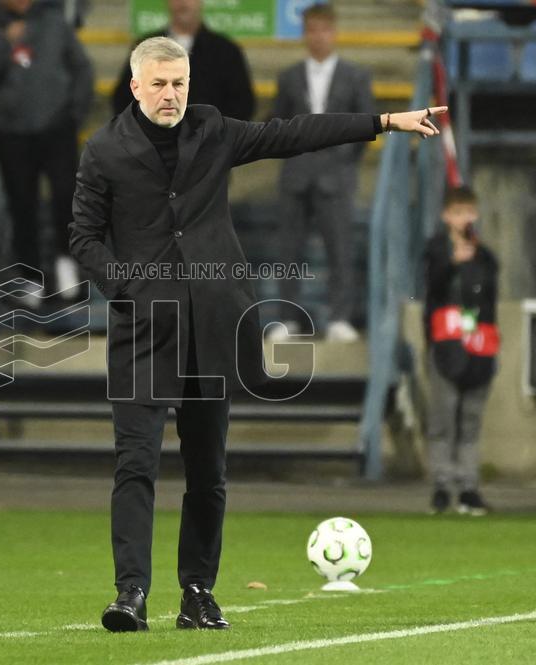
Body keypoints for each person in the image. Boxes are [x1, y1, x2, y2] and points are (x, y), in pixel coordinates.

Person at [70, 35, 445, 632]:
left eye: (180, 83)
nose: (172, 95)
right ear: (136, 85)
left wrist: (384, 121)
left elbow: (290, 133)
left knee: (207, 473)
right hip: (144, 332)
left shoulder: (213, 130)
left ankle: (197, 592)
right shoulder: (104, 151)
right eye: (161, 84)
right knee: (135, 465)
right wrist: (125, 287)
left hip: (212, 327)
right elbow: (84, 238)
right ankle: (130, 595)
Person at [270, 4, 375, 343]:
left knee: (339, 249)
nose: (318, 37)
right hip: (296, 175)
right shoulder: (288, 77)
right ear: (304, 34)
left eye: (324, 30)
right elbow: (277, 124)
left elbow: (365, 124)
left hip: (336, 175)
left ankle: (340, 317)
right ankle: (287, 318)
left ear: (334, 32)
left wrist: (340, 158)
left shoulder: (355, 75)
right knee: (289, 249)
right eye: (311, 30)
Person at [0, 0, 93, 301]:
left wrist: (74, 115)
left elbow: (81, 67)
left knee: (65, 197)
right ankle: (30, 276)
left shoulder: (55, 23)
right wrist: (4, 44)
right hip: (11, 133)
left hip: (56, 129)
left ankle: (66, 263)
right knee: (22, 205)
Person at [422, 186, 499, 516]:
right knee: (443, 419)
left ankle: (468, 488)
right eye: (457, 212)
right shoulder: (436, 250)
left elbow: (489, 302)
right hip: (444, 343)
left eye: (468, 211)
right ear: (446, 216)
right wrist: (453, 262)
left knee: (470, 420)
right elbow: (432, 288)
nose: (463, 218)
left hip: (477, 343)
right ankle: (441, 486)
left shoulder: (485, 256)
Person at [111, 0, 255, 121]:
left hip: (209, 150)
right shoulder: (145, 48)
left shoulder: (227, 51)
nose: (183, 2)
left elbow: (242, 106)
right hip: (153, 149)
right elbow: (124, 99)